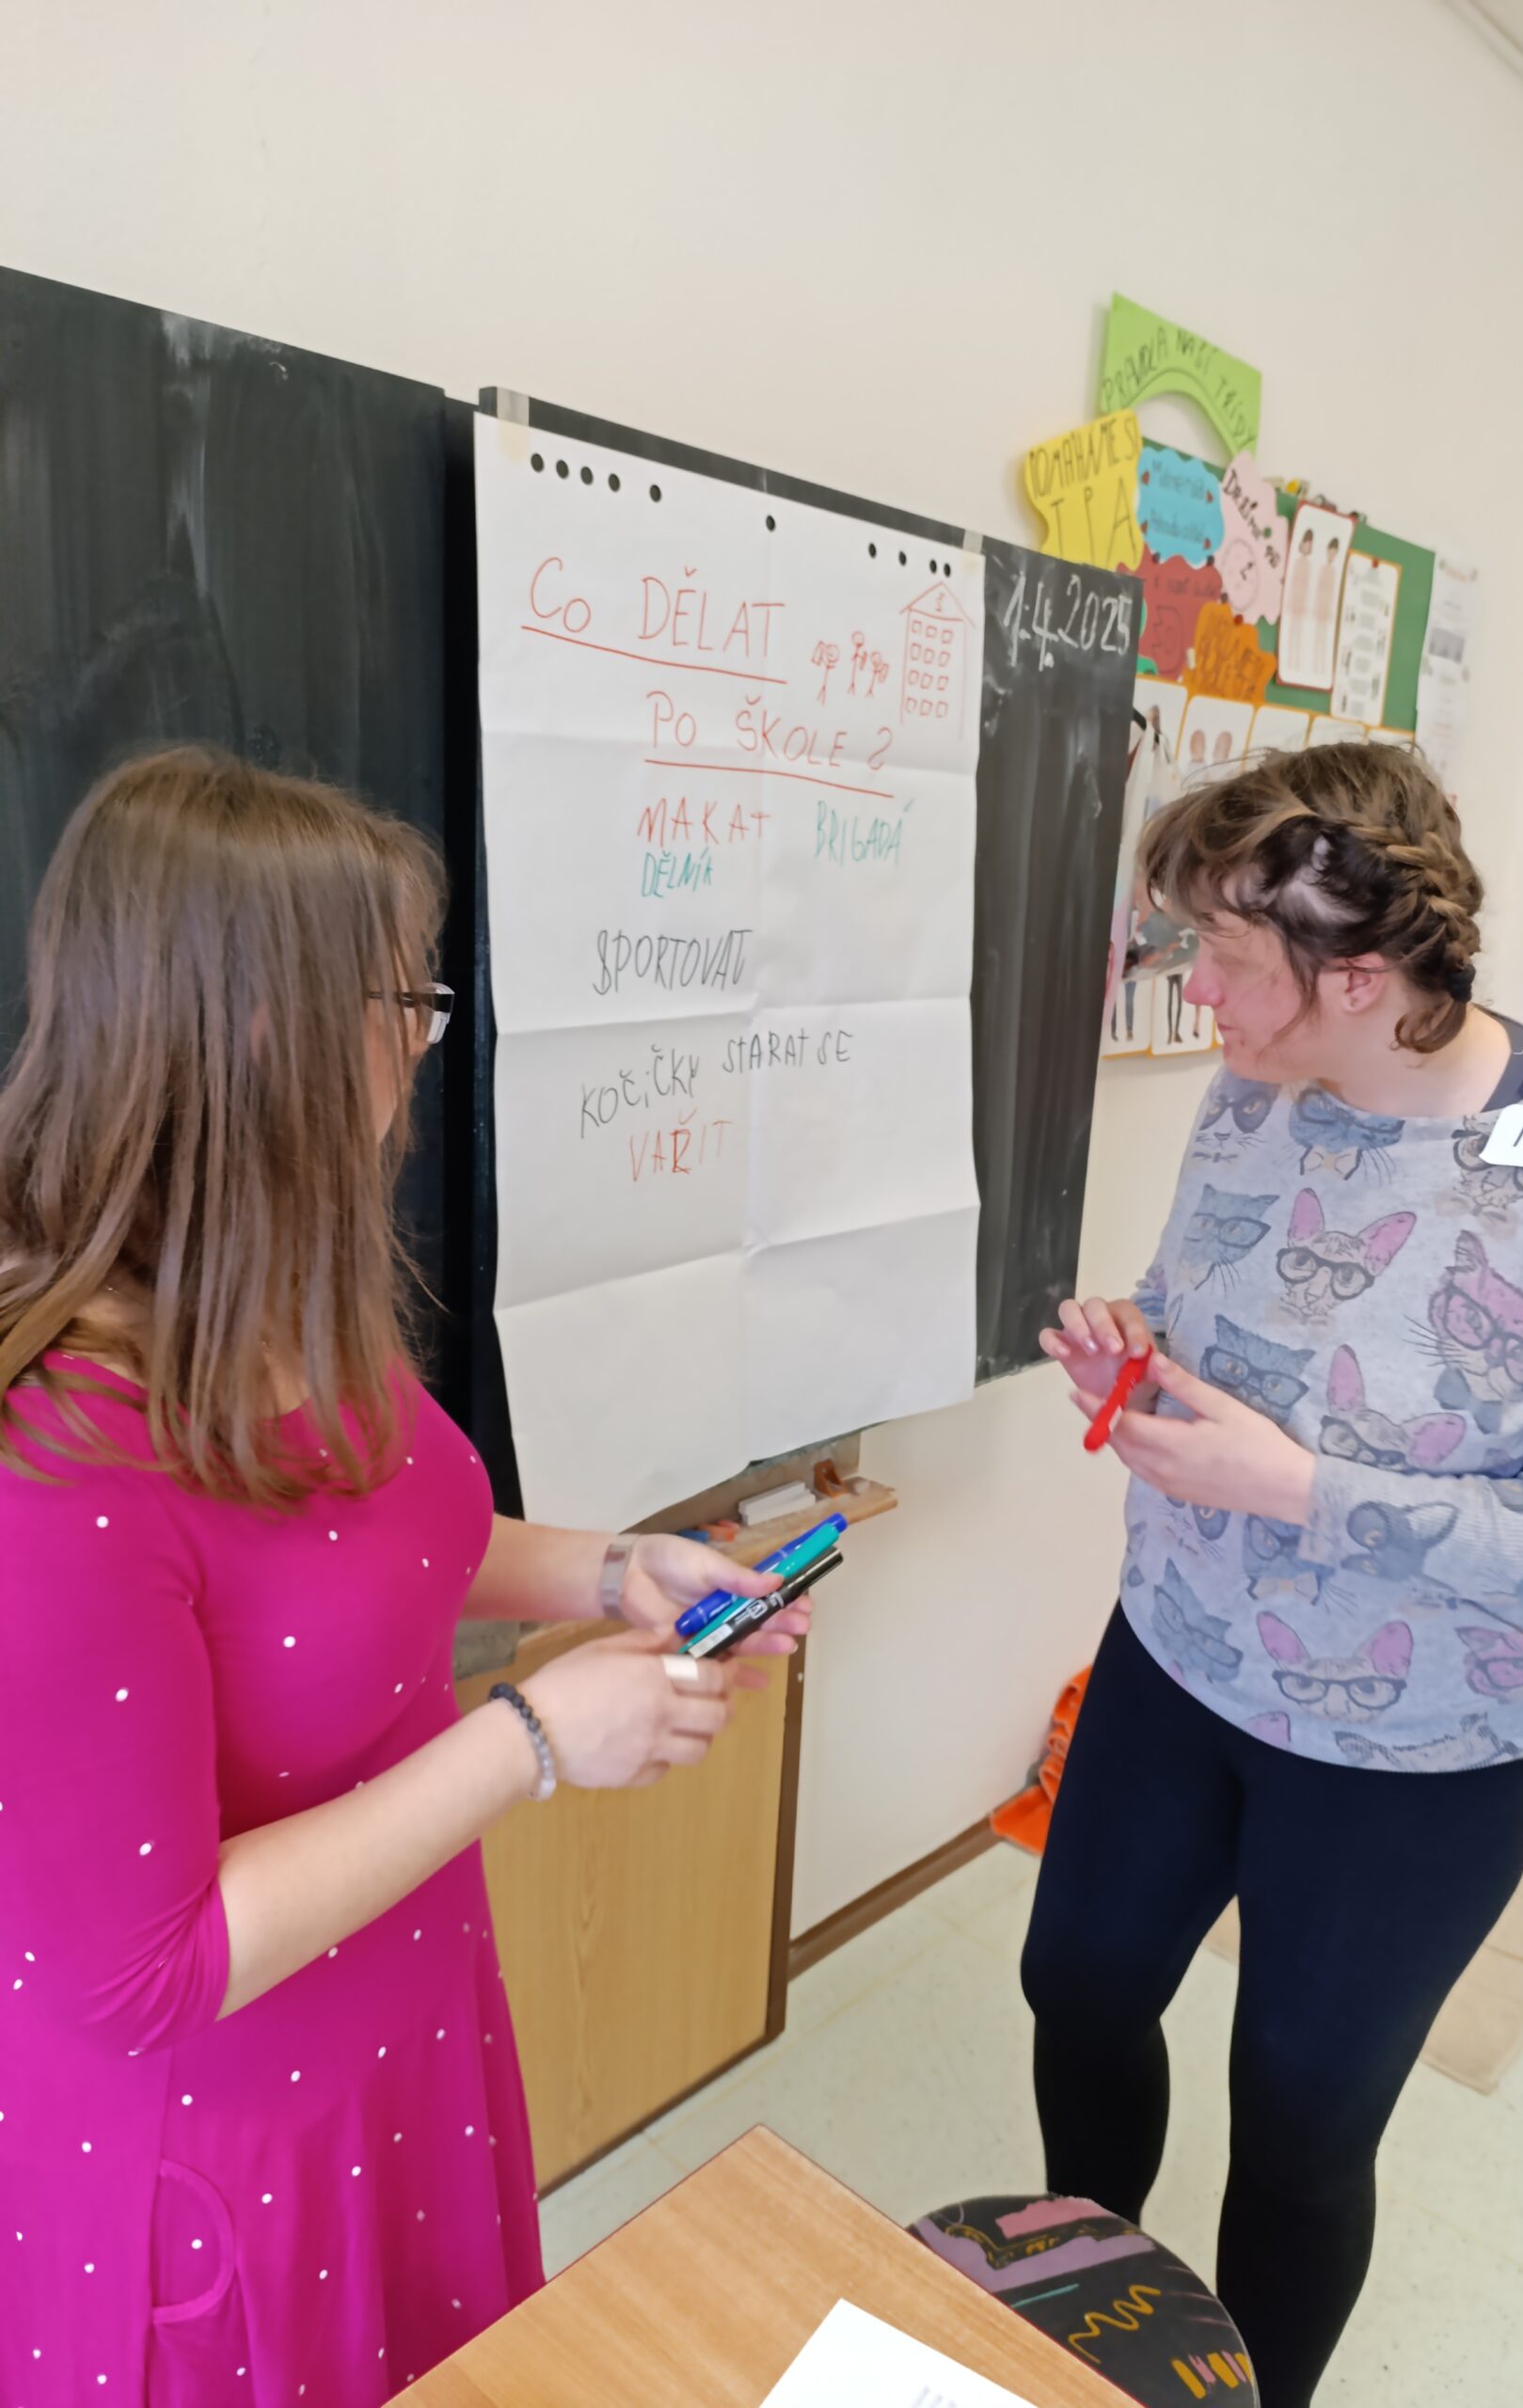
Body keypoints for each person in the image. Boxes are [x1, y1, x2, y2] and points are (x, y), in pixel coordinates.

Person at [0, 751, 810, 2404]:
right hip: (223, 2148)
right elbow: (147, 1972)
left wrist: (612, 1574)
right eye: (408, 1004)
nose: (427, 1047)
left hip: (400, 2022)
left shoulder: (269, 1291)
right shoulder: (57, 1464)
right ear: (265, 1035)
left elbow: (368, 1560)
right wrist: (531, 1741)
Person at [1023, 742, 1523, 2408]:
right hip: (1180, 1651)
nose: (1196, 989)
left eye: (1223, 954)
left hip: (1418, 1748)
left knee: (1303, 2119)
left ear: (1358, 978)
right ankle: (1074, 2328)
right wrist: (1139, 1341)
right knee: (1080, 1986)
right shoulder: (1258, 1087)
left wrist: (1306, 1491)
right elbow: (1215, 1296)